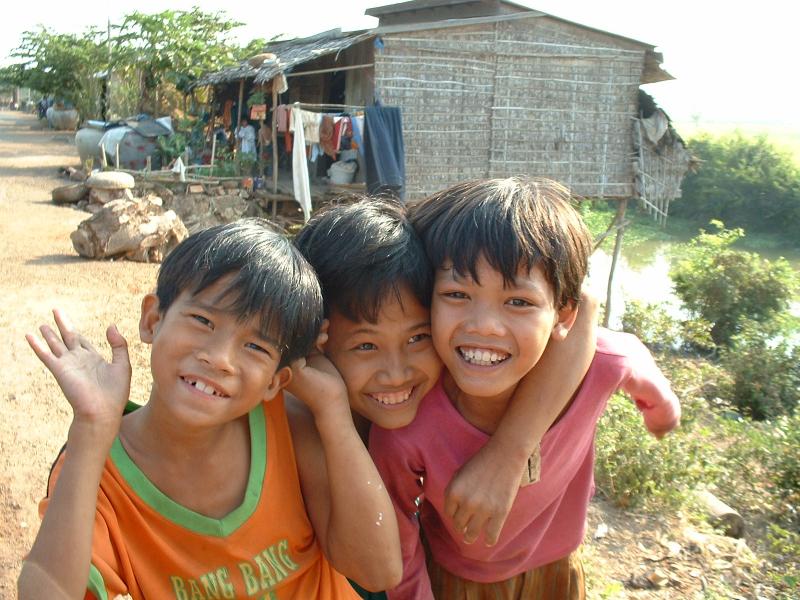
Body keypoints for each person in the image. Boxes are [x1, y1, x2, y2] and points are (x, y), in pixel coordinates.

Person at [18, 219, 401, 600]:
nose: (219, 359)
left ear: (275, 382)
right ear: (152, 319)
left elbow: (378, 571)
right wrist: (90, 427)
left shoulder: (287, 424)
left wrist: (332, 409)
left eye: (256, 347)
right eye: (203, 321)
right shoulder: (97, 469)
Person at [369, 178, 681, 599]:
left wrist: (661, 414)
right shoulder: (409, 419)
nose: (483, 325)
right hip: (458, 581)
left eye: (518, 302)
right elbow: (400, 535)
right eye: (457, 293)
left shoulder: (599, 365)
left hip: (559, 572)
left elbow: (633, 362)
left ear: (563, 316)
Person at [294, 198, 598, 599]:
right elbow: (379, 571)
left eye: (418, 337)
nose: (396, 373)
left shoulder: (456, 358)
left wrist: (508, 455)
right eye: (365, 346)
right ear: (317, 340)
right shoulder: (303, 413)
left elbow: (585, 307)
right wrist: (332, 413)